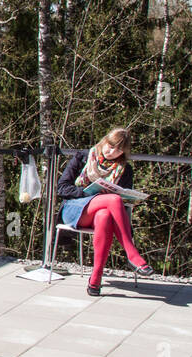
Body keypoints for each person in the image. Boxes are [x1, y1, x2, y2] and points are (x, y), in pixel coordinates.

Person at [56, 126, 154, 296]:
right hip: (75, 209)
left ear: (123, 152)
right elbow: (62, 188)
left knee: (106, 215)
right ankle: (132, 253)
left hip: (101, 211)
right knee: (113, 200)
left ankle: (95, 279)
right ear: (105, 141)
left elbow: (123, 201)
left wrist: (125, 196)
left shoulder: (125, 170)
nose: (112, 151)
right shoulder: (83, 157)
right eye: (110, 145)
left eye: (118, 150)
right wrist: (87, 192)